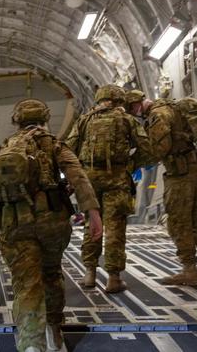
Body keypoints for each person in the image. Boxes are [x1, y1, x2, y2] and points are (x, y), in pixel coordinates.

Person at [0, 98, 102, 352]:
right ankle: (54, 333)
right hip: (52, 225)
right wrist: (93, 214)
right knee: (51, 274)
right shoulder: (54, 145)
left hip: (16, 226)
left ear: (17, 120)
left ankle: (30, 346)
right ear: (45, 119)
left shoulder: (7, 149)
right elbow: (78, 176)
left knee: (27, 285)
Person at [65, 84, 154, 293]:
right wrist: (130, 164)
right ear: (118, 100)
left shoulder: (84, 120)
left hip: (90, 180)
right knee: (115, 227)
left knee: (91, 224)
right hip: (117, 179)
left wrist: (79, 171)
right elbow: (148, 150)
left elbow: (69, 150)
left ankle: (89, 274)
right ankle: (113, 278)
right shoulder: (127, 120)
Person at [146, 96, 197, 285]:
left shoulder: (158, 115)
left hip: (179, 174)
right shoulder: (181, 107)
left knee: (178, 222)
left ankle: (189, 270)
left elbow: (161, 149)